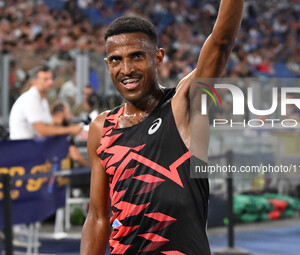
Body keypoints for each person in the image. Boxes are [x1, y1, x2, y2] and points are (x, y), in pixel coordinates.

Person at [81, 1, 243, 254]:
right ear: (107, 65)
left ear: (158, 57)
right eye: (116, 60)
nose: (126, 69)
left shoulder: (183, 106)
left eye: (137, 56)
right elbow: (98, 217)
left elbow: (221, 43)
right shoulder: (101, 128)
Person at [9, 65, 83, 140]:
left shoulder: (43, 100)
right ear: (34, 82)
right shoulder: (30, 99)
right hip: (23, 147)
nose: (50, 82)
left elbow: (48, 126)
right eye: (45, 79)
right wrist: (70, 129)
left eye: (51, 78)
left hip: (34, 146)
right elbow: (42, 130)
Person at [51, 102, 90, 167]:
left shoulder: (52, 129)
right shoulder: (61, 133)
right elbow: (75, 156)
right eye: (68, 113)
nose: (71, 116)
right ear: (60, 114)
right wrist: (89, 167)